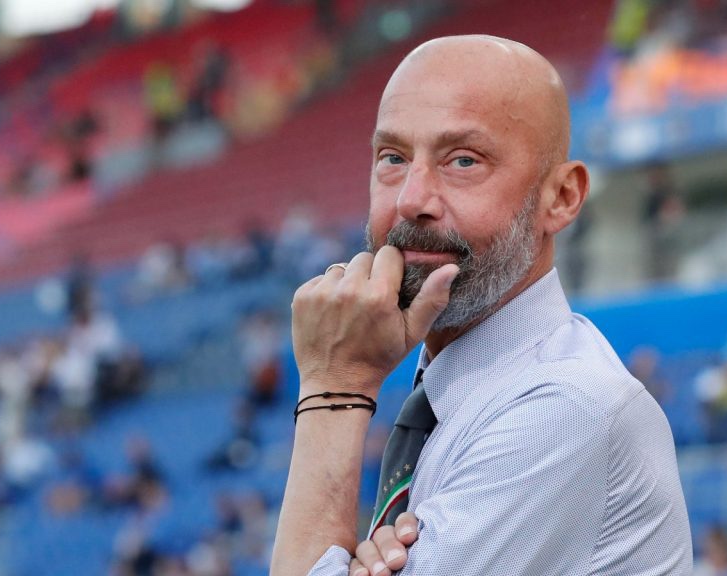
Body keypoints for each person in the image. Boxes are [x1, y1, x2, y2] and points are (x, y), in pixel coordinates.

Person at [270, 35, 692, 576]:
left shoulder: (566, 408)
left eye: (463, 160)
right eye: (393, 158)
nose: (411, 199)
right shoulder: (467, 394)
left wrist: (334, 387)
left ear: (562, 197)